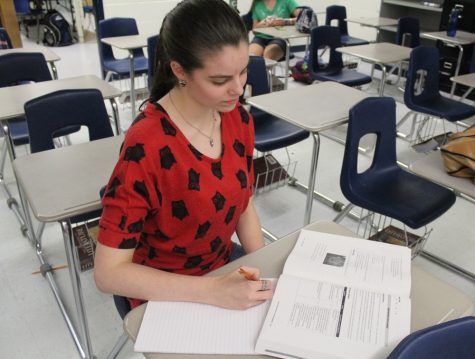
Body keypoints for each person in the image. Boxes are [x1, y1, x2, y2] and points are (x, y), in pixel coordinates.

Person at [94, 0, 273, 312]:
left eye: (243, 71)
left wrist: (265, 268)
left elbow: (243, 202)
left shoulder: (237, 119)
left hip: (221, 270)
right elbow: (108, 273)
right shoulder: (146, 145)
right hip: (166, 289)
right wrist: (213, 291)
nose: (238, 89)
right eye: (220, 80)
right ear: (179, 71)